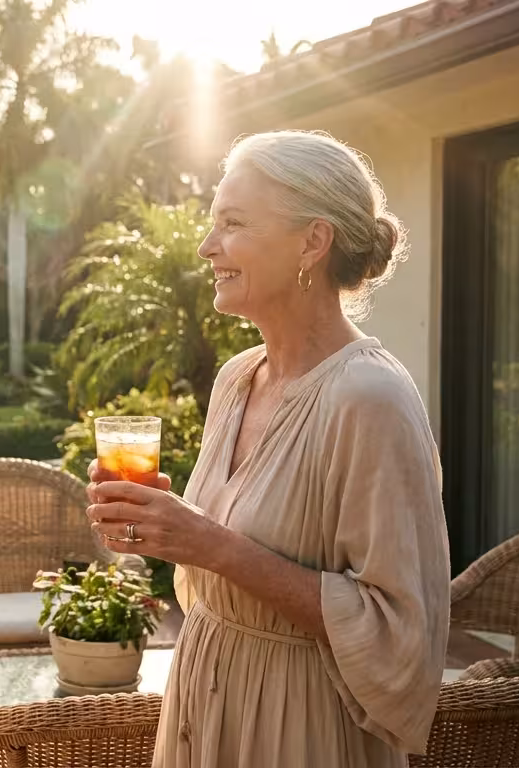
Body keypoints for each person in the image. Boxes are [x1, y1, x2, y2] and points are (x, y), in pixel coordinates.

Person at [85, 130, 450, 767]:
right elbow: (214, 563)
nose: (206, 247)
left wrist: (209, 544)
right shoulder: (237, 377)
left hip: (299, 727)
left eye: (232, 224)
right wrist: (160, 529)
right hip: (206, 701)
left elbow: (399, 635)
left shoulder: (369, 398)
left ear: (312, 241)